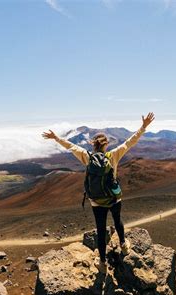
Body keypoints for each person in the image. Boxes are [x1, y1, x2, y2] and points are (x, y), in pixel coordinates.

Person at [42, 112, 155, 273]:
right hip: (114, 198)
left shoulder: (87, 157)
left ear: (92, 144)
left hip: (96, 201)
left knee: (101, 230)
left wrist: (56, 138)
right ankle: (124, 246)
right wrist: (143, 127)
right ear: (106, 144)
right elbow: (130, 142)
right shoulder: (113, 155)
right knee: (117, 221)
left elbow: (71, 146)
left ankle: (102, 264)